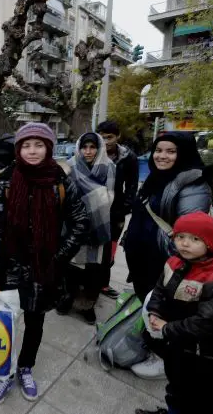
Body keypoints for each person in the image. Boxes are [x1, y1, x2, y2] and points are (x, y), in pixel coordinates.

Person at [0, 123, 89, 405]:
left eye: (38, 145)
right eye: (26, 145)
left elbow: (80, 222)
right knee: (6, 323)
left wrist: (59, 256)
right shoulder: (6, 180)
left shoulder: (61, 181)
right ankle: (3, 373)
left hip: (45, 267)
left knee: (35, 322)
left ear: (49, 148)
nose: (32, 151)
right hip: (9, 264)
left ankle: (25, 367)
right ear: (18, 149)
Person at [135, 212, 213, 414]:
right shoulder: (174, 263)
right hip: (179, 344)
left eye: (195, 239)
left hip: (204, 354)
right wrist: (155, 311)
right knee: (176, 386)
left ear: (210, 243)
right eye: (180, 237)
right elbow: (160, 290)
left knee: (202, 399)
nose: (185, 244)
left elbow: (207, 323)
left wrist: (167, 328)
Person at [124, 132, 213, 380]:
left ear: (182, 154)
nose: (162, 156)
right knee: (149, 302)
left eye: (170, 151)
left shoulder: (193, 185)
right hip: (144, 257)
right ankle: (154, 345)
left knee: (164, 309)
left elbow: (190, 234)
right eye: (158, 150)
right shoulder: (156, 177)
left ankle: (163, 359)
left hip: (166, 263)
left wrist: (174, 269)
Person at [58, 132, 116, 324]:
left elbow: (109, 197)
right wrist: (94, 197)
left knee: (93, 270)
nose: (88, 151)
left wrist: (92, 199)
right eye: (84, 147)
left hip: (98, 226)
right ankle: (68, 298)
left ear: (99, 148)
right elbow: (63, 194)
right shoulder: (70, 166)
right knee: (71, 266)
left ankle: (87, 306)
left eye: (92, 147)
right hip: (73, 225)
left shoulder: (109, 167)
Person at [97, 120, 139, 299]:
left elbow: (132, 186)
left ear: (118, 136)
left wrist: (124, 208)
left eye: (110, 137)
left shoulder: (128, 157)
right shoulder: (90, 152)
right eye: (102, 137)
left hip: (115, 212)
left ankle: (103, 284)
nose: (106, 141)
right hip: (93, 208)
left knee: (109, 251)